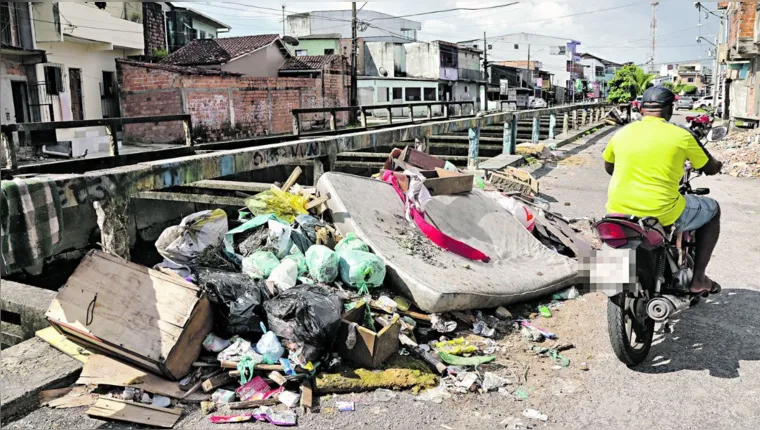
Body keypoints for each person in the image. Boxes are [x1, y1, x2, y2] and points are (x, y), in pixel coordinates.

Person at [602, 86, 724, 295]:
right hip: (662, 211)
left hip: (617, 210)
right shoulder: (681, 135)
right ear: (669, 109)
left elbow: (609, 168)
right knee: (713, 209)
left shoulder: (621, 133)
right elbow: (710, 168)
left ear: (641, 109)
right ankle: (698, 280)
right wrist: (718, 165)